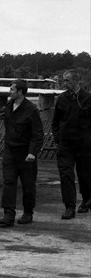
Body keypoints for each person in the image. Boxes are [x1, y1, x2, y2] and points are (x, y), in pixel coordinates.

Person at [0, 80, 44, 227]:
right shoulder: (8, 107)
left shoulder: (31, 109)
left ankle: (28, 213)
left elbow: (38, 134)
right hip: (10, 151)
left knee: (28, 185)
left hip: (26, 154)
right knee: (8, 182)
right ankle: (8, 214)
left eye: (12, 89)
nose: (9, 91)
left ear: (20, 92)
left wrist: (32, 152)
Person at [52, 69, 91, 219]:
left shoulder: (88, 98)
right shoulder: (61, 99)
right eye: (63, 80)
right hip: (65, 145)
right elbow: (55, 121)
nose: (64, 83)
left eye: (67, 80)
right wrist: (58, 139)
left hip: (84, 145)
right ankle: (69, 206)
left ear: (76, 81)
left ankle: (86, 199)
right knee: (66, 175)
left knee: (85, 175)